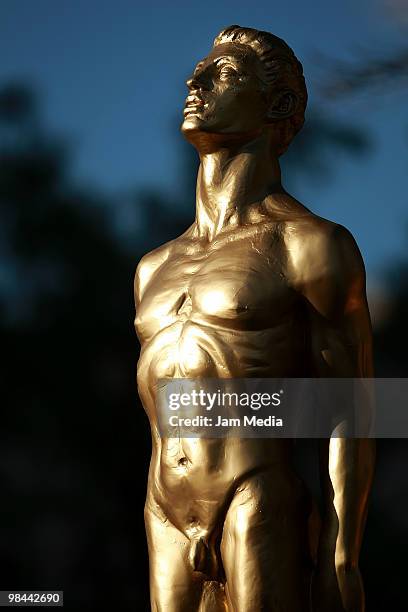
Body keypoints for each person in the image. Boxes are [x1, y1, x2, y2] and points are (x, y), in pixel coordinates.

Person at [134, 25, 375, 612]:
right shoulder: (152, 268)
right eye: (198, 70)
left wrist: (342, 556)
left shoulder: (310, 245)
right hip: (164, 506)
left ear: (280, 105)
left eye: (225, 73)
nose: (196, 82)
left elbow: (356, 407)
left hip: (256, 493)